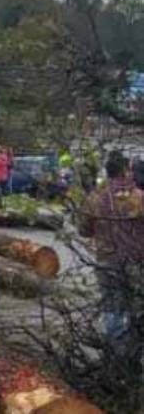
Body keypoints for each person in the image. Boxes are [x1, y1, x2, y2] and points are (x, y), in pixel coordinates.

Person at [79, 154, 144, 361]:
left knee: (112, 309)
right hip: (136, 261)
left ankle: (116, 359)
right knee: (136, 308)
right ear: (126, 171)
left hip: (107, 260)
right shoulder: (140, 198)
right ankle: (135, 355)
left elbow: (84, 230)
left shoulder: (96, 198)